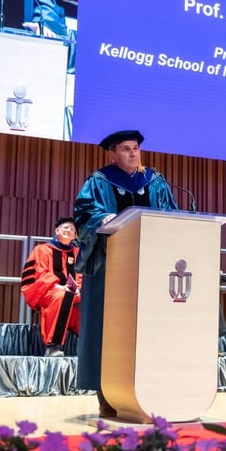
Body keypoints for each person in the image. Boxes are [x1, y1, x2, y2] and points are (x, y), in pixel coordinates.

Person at [73, 130, 178, 417]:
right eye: (126, 149)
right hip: (110, 264)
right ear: (112, 155)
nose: (133, 153)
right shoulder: (99, 180)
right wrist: (102, 218)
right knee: (107, 328)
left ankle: (150, 387)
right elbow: (83, 213)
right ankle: (106, 392)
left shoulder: (155, 181)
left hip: (150, 265)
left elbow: (170, 213)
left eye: (136, 148)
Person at [21, 216, 81, 357]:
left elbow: (81, 276)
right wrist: (57, 286)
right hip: (47, 292)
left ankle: (89, 346)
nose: (69, 231)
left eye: (73, 229)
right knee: (63, 296)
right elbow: (38, 273)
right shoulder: (42, 250)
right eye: (66, 227)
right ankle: (52, 346)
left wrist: (78, 288)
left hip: (71, 294)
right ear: (57, 230)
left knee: (89, 300)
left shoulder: (77, 253)